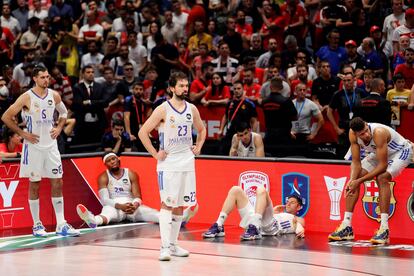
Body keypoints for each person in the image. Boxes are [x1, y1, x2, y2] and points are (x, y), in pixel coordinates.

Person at [1, 65, 79, 237]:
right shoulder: (26, 97)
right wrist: (22, 133)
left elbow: (64, 113)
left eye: (47, 76)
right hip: (33, 146)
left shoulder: (54, 95)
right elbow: (6, 116)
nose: (46, 79)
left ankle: (61, 224)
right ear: (35, 78)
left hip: (51, 146)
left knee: (57, 182)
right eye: (42, 77)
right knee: (34, 184)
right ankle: (37, 225)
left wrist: (59, 127)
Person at [138, 71, 206, 261]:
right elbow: (143, 132)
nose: (185, 89)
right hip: (168, 163)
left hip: (187, 161)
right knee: (167, 204)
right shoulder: (163, 109)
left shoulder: (192, 108)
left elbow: (201, 130)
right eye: (181, 86)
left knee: (180, 205)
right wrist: (155, 154)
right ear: (171, 88)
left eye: (186, 85)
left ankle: (174, 245)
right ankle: (164, 247)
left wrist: (199, 146)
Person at [328, 117, 413, 244]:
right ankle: (347, 225)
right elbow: (356, 162)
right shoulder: (352, 135)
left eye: (366, 130)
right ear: (355, 133)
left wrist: (359, 181)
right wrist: (353, 180)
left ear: (367, 125)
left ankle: (384, 229)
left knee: (382, 177)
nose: (366, 134)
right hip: (379, 152)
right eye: (361, 134)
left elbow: (382, 166)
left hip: (401, 151)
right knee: (354, 179)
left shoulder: (378, 132)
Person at [76, 153, 160, 227]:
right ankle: (92, 220)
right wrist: (120, 206)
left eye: (113, 159)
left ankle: (170, 219)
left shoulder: (131, 173)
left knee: (154, 214)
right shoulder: (103, 177)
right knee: (106, 215)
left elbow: (138, 196)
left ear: (118, 159)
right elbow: (105, 200)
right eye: (109, 161)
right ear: (105, 164)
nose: (112, 162)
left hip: (130, 206)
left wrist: (134, 206)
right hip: (114, 205)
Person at [202, 186, 305, 240]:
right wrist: (273, 211)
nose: (288, 204)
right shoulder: (278, 213)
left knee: (261, 190)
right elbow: (264, 215)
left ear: (299, 207)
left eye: (292, 203)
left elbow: (299, 221)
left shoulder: (296, 218)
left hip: (270, 226)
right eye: (287, 201)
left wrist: (299, 226)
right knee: (235, 189)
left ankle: (255, 228)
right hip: (257, 222)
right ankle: (219, 226)